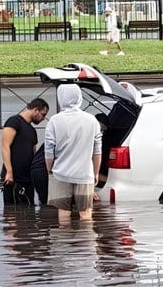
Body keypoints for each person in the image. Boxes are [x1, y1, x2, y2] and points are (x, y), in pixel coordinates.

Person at [44, 84, 103, 223]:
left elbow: (48, 150)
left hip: (60, 174)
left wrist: (50, 169)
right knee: (86, 214)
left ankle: (64, 243)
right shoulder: (92, 120)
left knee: (64, 215)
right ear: (79, 97)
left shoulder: (54, 121)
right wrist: (95, 172)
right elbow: (97, 150)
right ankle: (87, 244)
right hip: (85, 174)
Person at [0, 98, 50, 206]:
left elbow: (33, 153)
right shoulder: (14, 121)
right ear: (36, 110)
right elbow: (5, 145)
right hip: (13, 178)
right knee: (11, 211)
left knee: (29, 211)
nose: (43, 118)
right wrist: (9, 172)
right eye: (43, 114)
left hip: (28, 178)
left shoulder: (32, 131)